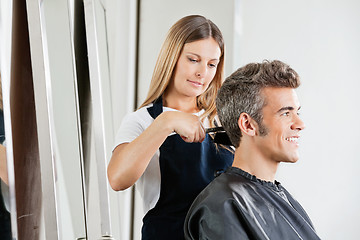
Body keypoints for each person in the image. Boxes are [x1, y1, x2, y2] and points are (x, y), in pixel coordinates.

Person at [107, 15, 234, 240]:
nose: (202, 72)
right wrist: (166, 123)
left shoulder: (220, 121)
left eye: (211, 64)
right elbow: (117, 179)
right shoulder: (141, 121)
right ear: (171, 57)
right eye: (193, 59)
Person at [184, 60, 321, 240]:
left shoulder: (283, 198)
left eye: (297, 112)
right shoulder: (222, 208)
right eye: (285, 113)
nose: (300, 124)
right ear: (248, 125)